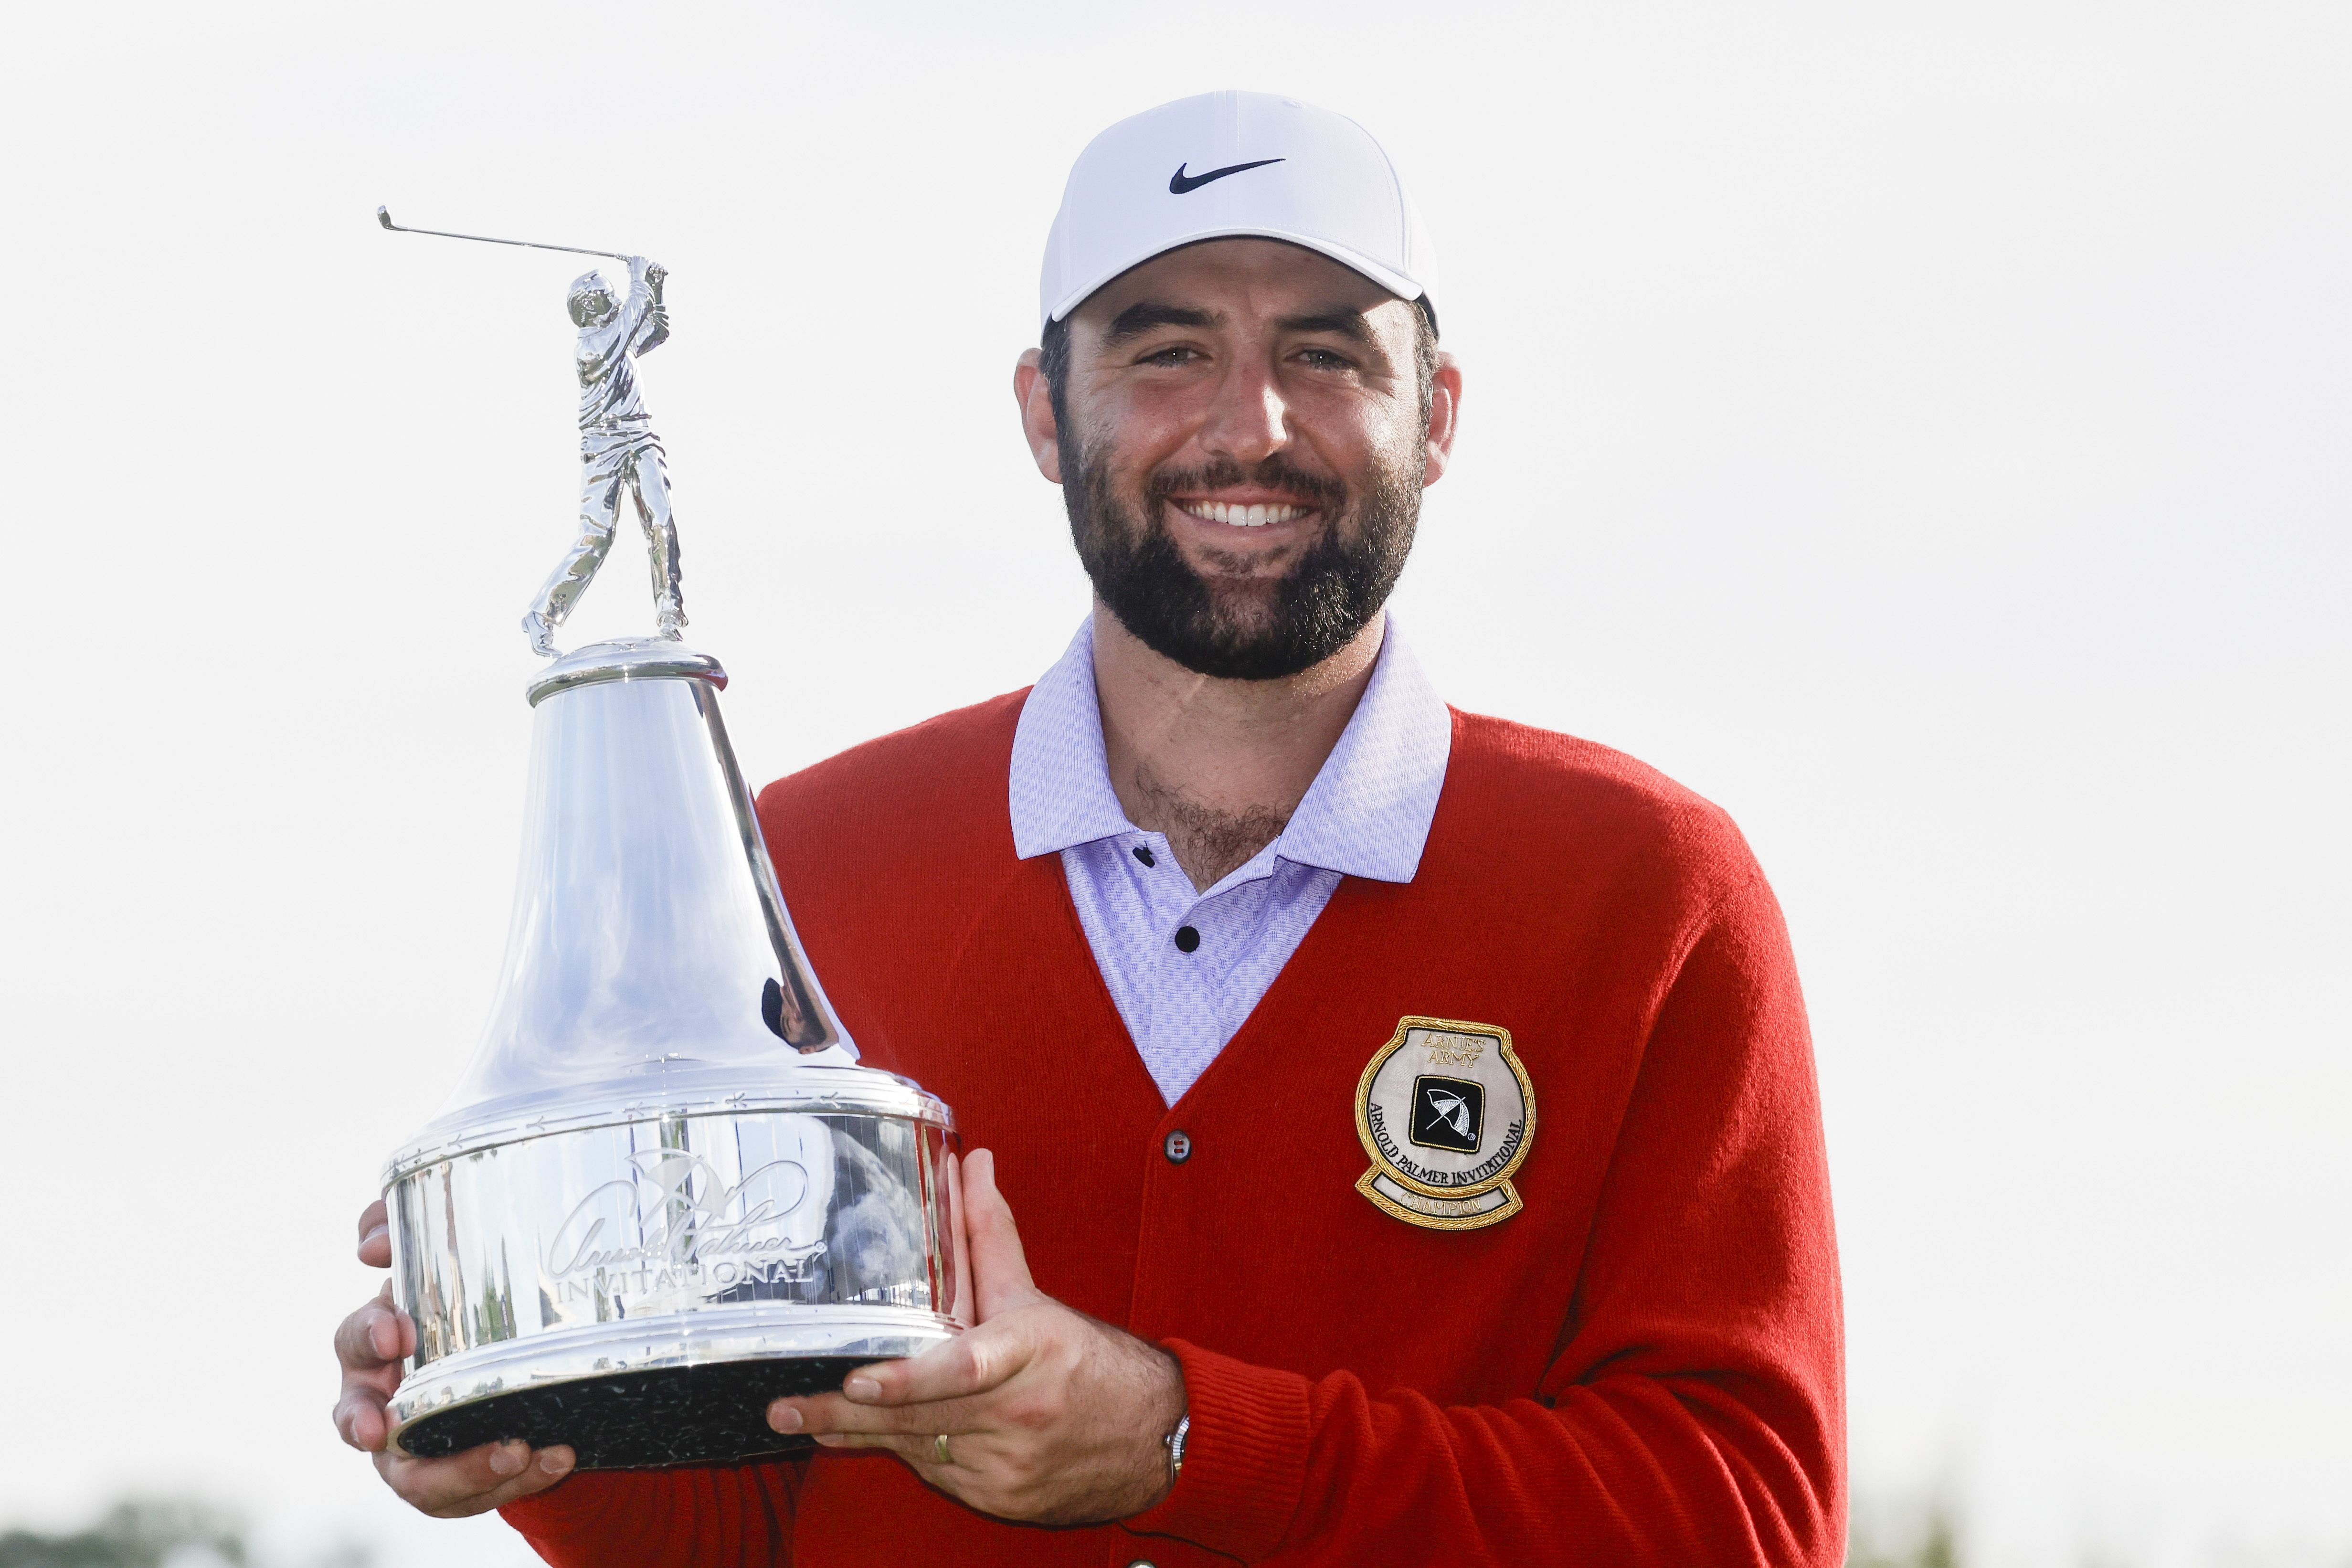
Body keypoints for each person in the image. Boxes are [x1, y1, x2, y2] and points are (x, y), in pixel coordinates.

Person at [334, 90, 1844, 1566]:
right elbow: (762, 1512)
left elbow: (1749, 1521)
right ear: (1044, 413)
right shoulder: (801, 869)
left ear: (1433, 413)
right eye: (1167, 350)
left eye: (1323, 353)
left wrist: (1184, 1440)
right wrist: (531, 1429)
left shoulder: (1648, 892)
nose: (1249, 426)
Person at [521, 254, 686, 657]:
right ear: (589, 305)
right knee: (596, 539)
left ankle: (670, 612)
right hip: (603, 448)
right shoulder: (592, 347)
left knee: (661, 520)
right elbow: (631, 320)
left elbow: (654, 331)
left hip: (640, 435)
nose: (614, 301)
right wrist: (637, 278)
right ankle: (542, 615)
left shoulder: (618, 336)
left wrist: (656, 288)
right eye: (607, 296)